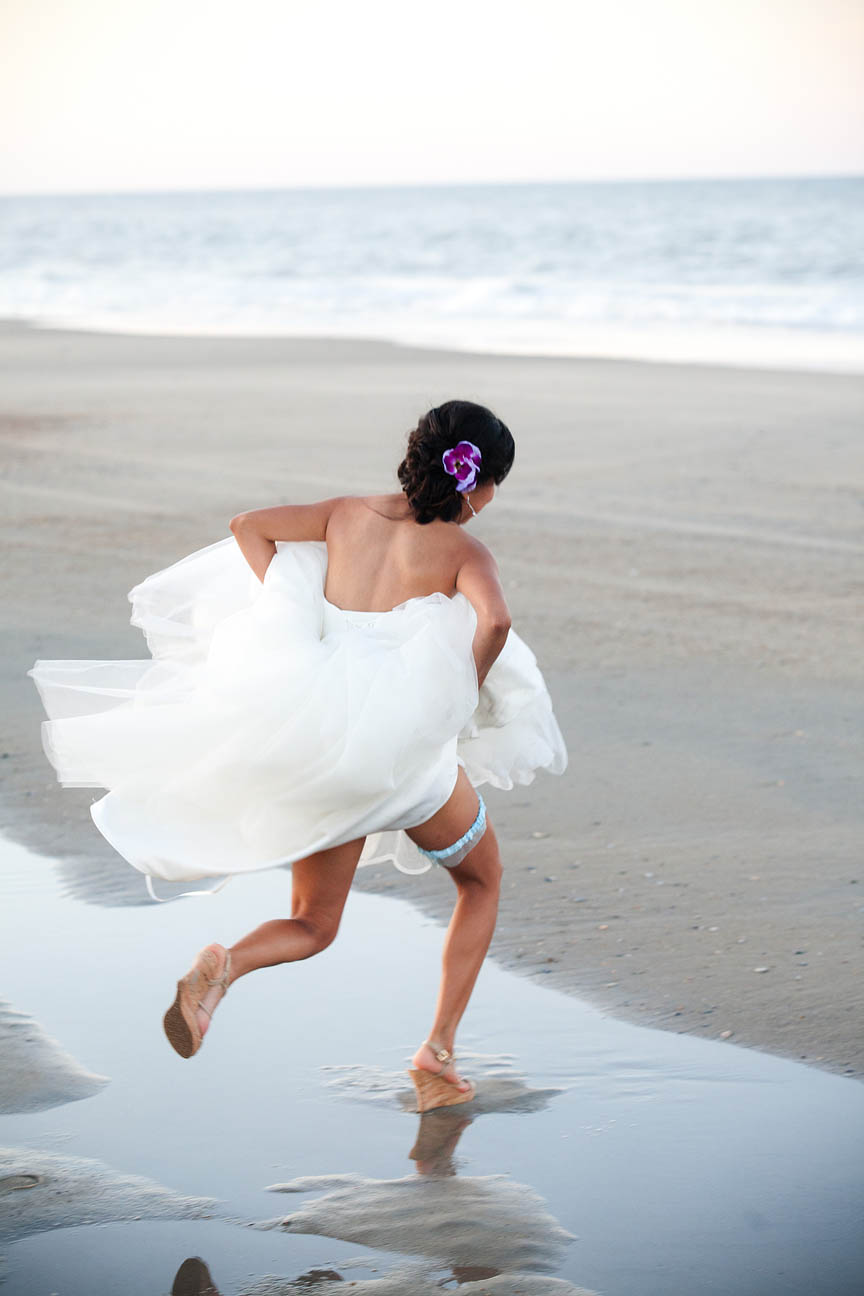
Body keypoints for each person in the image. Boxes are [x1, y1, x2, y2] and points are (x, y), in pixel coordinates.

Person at [28, 400, 566, 1111]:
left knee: (315, 923)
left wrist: (291, 603)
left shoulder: (344, 515)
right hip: (401, 755)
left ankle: (225, 966)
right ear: (479, 481)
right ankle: (436, 1054)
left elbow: (248, 527)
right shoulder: (465, 553)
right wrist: (459, 688)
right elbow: (495, 620)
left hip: (320, 741)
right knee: (482, 881)